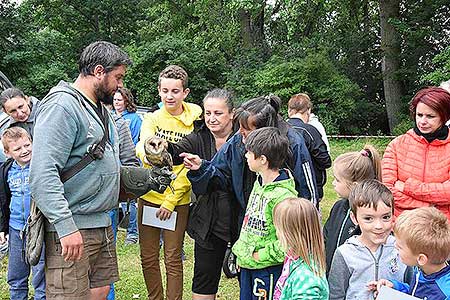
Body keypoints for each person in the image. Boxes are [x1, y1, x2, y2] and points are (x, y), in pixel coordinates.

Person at [30, 41, 172, 300]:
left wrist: (145, 178)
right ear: (98, 71)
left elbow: (106, 169)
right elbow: (42, 174)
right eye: (117, 77)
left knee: (100, 292)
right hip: (74, 226)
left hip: (101, 222)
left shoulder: (99, 111)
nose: (120, 85)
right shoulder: (62, 107)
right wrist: (65, 227)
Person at [181, 95, 318, 235]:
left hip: (283, 229)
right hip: (248, 225)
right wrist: (201, 167)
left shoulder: (292, 143)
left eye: (246, 128)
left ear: (263, 130)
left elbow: (308, 195)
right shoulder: (238, 140)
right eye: (239, 126)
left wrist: (304, 233)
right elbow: (220, 173)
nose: (240, 132)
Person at [160, 88, 237, 299]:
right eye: (208, 113)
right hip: (209, 222)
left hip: (240, 219)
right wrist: (164, 146)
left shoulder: (244, 136)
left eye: (218, 113)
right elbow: (177, 151)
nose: (211, 119)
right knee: (204, 282)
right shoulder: (200, 135)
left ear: (232, 113)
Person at [136, 65, 202, 300]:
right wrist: (148, 152)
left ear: (185, 92)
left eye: (175, 91)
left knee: (173, 257)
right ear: (159, 91)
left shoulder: (195, 119)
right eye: (165, 91)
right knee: (148, 256)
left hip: (177, 201)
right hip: (149, 198)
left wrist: (171, 201)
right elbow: (142, 145)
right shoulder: (152, 118)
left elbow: (189, 166)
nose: (169, 96)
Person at [228, 127, 297, 300]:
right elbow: (248, 224)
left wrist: (257, 256)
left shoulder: (284, 197)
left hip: (268, 271)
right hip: (248, 266)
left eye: (249, 153)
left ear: (263, 159)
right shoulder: (259, 184)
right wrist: (241, 255)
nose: (245, 156)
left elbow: (289, 243)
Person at [328, 179, 409, 300]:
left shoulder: (402, 249)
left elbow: (414, 288)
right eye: (368, 218)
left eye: (385, 217)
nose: (379, 226)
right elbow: (336, 296)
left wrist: (395, 289)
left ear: (393, 215)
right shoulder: (345, 254)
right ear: (354, 218)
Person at [382, 87, 450, 220]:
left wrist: (407, 186)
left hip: (443, 228)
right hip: (402, 227)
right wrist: (429, 205)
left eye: (430, 116)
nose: (422, 121)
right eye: (419, 115)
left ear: (444, 117)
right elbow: (387, 191)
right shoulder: (396, 145)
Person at [0, 127, 45, 300]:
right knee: (16, 274)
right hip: (16, 228)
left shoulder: (41, 166)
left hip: (38, 228)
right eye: (17, 149)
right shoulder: (5, 171)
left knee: (41, 273)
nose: (24, 150)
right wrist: (2, 228)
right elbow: (3, 202)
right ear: (7, 152)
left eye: (27, 145)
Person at [323, 145, 381, 276]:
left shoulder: (369, 216)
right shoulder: (338, 207)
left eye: (337, 180)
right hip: (330, 273)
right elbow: (326, 236)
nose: (333, 183)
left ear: (355, 186)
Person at [369, 207, 450, 299]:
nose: (395, 246)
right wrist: (395, 287)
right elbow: (415, 292)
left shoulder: (444, 294)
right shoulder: (423, 270)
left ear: (421, 259)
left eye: (400, 247)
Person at [272, 197, 329, 300]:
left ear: (289, 233)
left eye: (278, 228)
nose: (276, 233)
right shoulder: (293, 256)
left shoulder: (307, 279)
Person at [287, 93, 331, 204]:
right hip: (309, 187)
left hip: (286, 186)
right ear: (308, 111)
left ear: (289, 110)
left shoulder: (280, 130)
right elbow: (325, 160)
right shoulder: (310, 131)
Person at [111, 88, 141, 246]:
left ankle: (132, 232)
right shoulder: (109, 117)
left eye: (119, 100)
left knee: (129, 201)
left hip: (127, 162)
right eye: (115, 99)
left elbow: (135, 141)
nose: (116, 102)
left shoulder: (134, 119)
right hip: (113, 166)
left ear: (126, 101)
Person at [0, 87, 40, 162]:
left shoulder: (46, 113)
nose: (20, 113)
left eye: (21, 107)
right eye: (13, 111)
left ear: (27, 99)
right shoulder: (10, 130)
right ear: (5, 112)